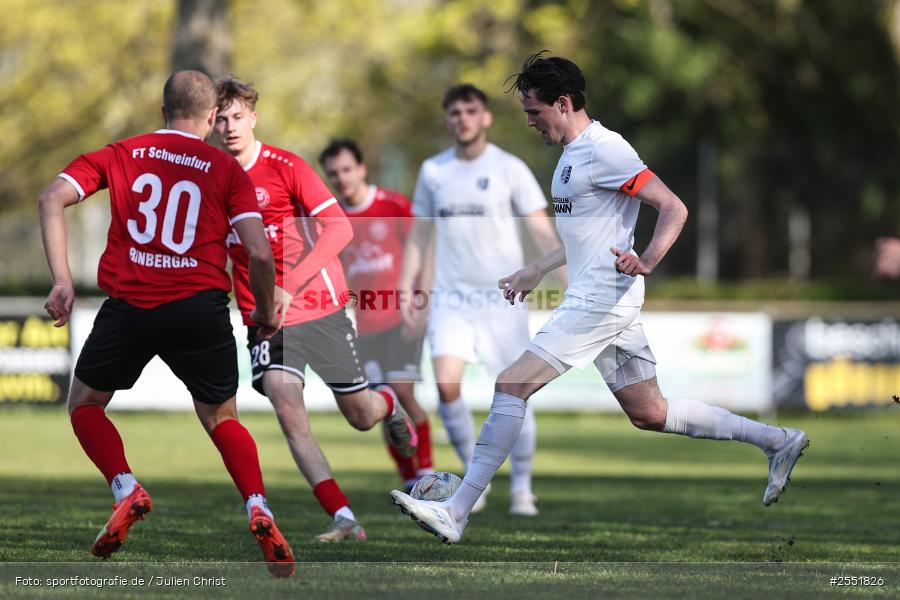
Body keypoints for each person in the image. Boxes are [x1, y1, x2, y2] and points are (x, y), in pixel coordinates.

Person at [392, 53, 810, 544]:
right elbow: (582, 237)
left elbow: (672, 207)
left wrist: (649, 258)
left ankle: (457, 511)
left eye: (534, 112)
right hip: (607, 299)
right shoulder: (571, 157)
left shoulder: (605, 149)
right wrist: (537, 268)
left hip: (601, 300)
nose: (530, 122)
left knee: (510, 385)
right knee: (650, 413)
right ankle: (778, 440)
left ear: (563, 103)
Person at [39, 70, 295, 575]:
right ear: (210, 119)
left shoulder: (122, 152)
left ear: (162, 112)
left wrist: (62, 281)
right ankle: (258, 507)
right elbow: (260, 254)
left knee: (86, 404)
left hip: (131, 304)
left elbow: (51, 198)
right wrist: (266, 313)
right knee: (222, 419)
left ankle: (125, 487)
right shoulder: (225, 169)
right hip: (199, 309)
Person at [213, 77, 418, 542]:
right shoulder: (211, 178)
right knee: (287, 408)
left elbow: (339, 230)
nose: (229, 126)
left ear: (253, 118)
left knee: (361, 416)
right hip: (265, 320)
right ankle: (343, 516)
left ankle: (386, 400)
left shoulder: (285, 166)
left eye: (237, 117)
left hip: (319, 307)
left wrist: (288, 286)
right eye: (220, 119)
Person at [398, 84, 565, 515]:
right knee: (446, 385)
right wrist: (406, 286)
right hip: (451, 298)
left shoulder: (509, 168)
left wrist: (569, 279)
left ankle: (522, 488)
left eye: (470, 111)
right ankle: (477, 481)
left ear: (485, 117)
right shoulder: (434, 171)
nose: (463, 119)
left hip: (502, 298)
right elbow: (419, 233)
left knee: (514, 393)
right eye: (454, 112)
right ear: (448, 119)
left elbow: (542, 230)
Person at [320, 138, 435, 492]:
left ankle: (427, 471)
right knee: (380, 403)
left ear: (361, 169)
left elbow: (425, 248)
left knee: (402, 392)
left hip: (401, 318)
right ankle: (409, 479)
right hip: (361, 327)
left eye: (346, 170)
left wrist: (422, 299)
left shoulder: (393, 205)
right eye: (333, 174)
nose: (341, 178)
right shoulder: (332, 220)